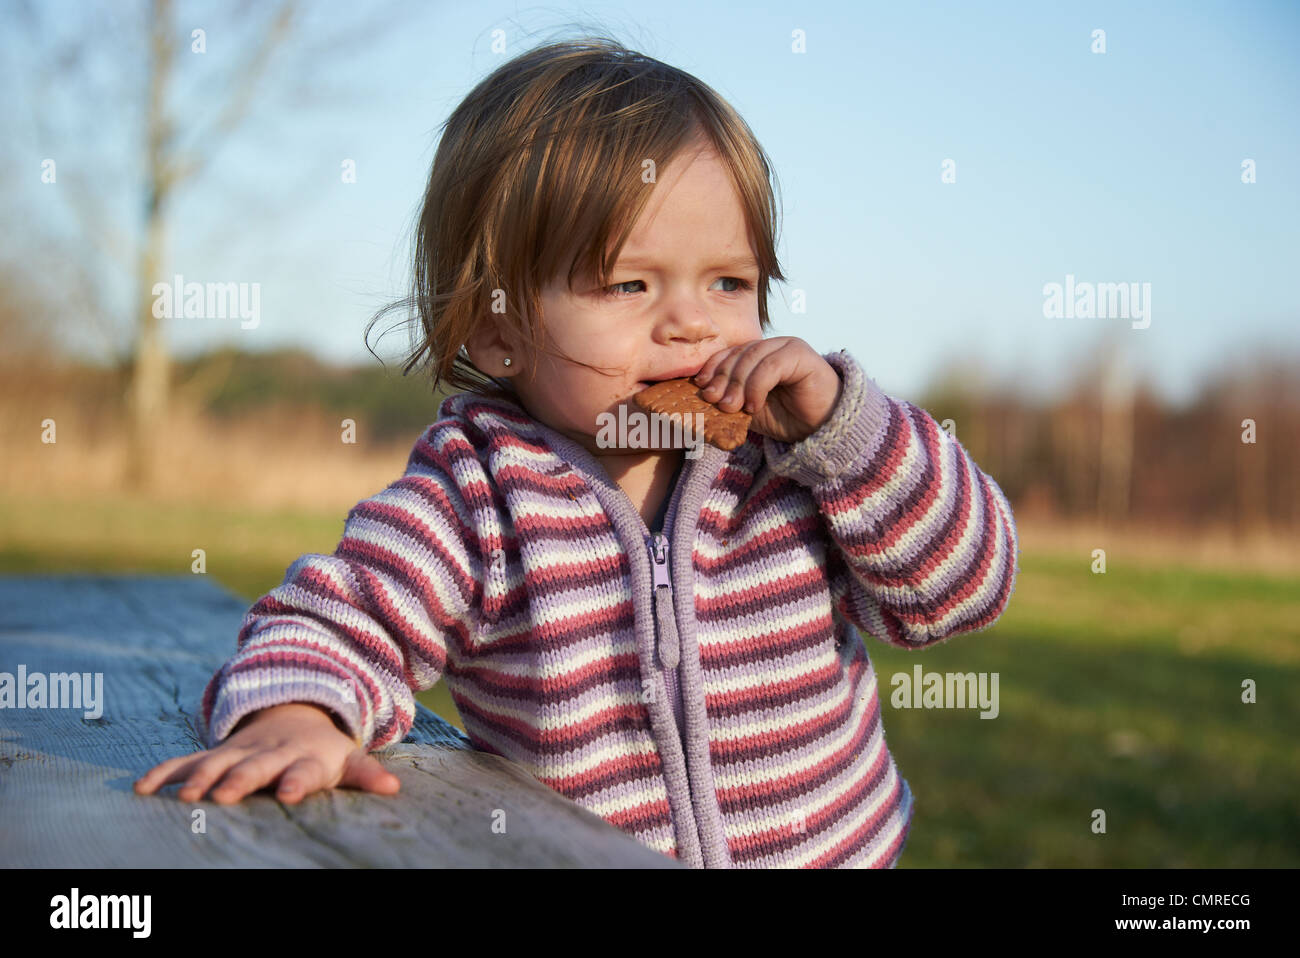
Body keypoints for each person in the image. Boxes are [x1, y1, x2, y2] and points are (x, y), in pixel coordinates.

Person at [135, 36, 1021, 868]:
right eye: (630, 283)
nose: (691, 323)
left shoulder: (796, 464)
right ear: (499, 329)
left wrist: (847, 433)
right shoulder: (478, 497)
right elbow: (340, 619)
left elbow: (964, 587)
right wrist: (298, 714)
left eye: (730, 282)